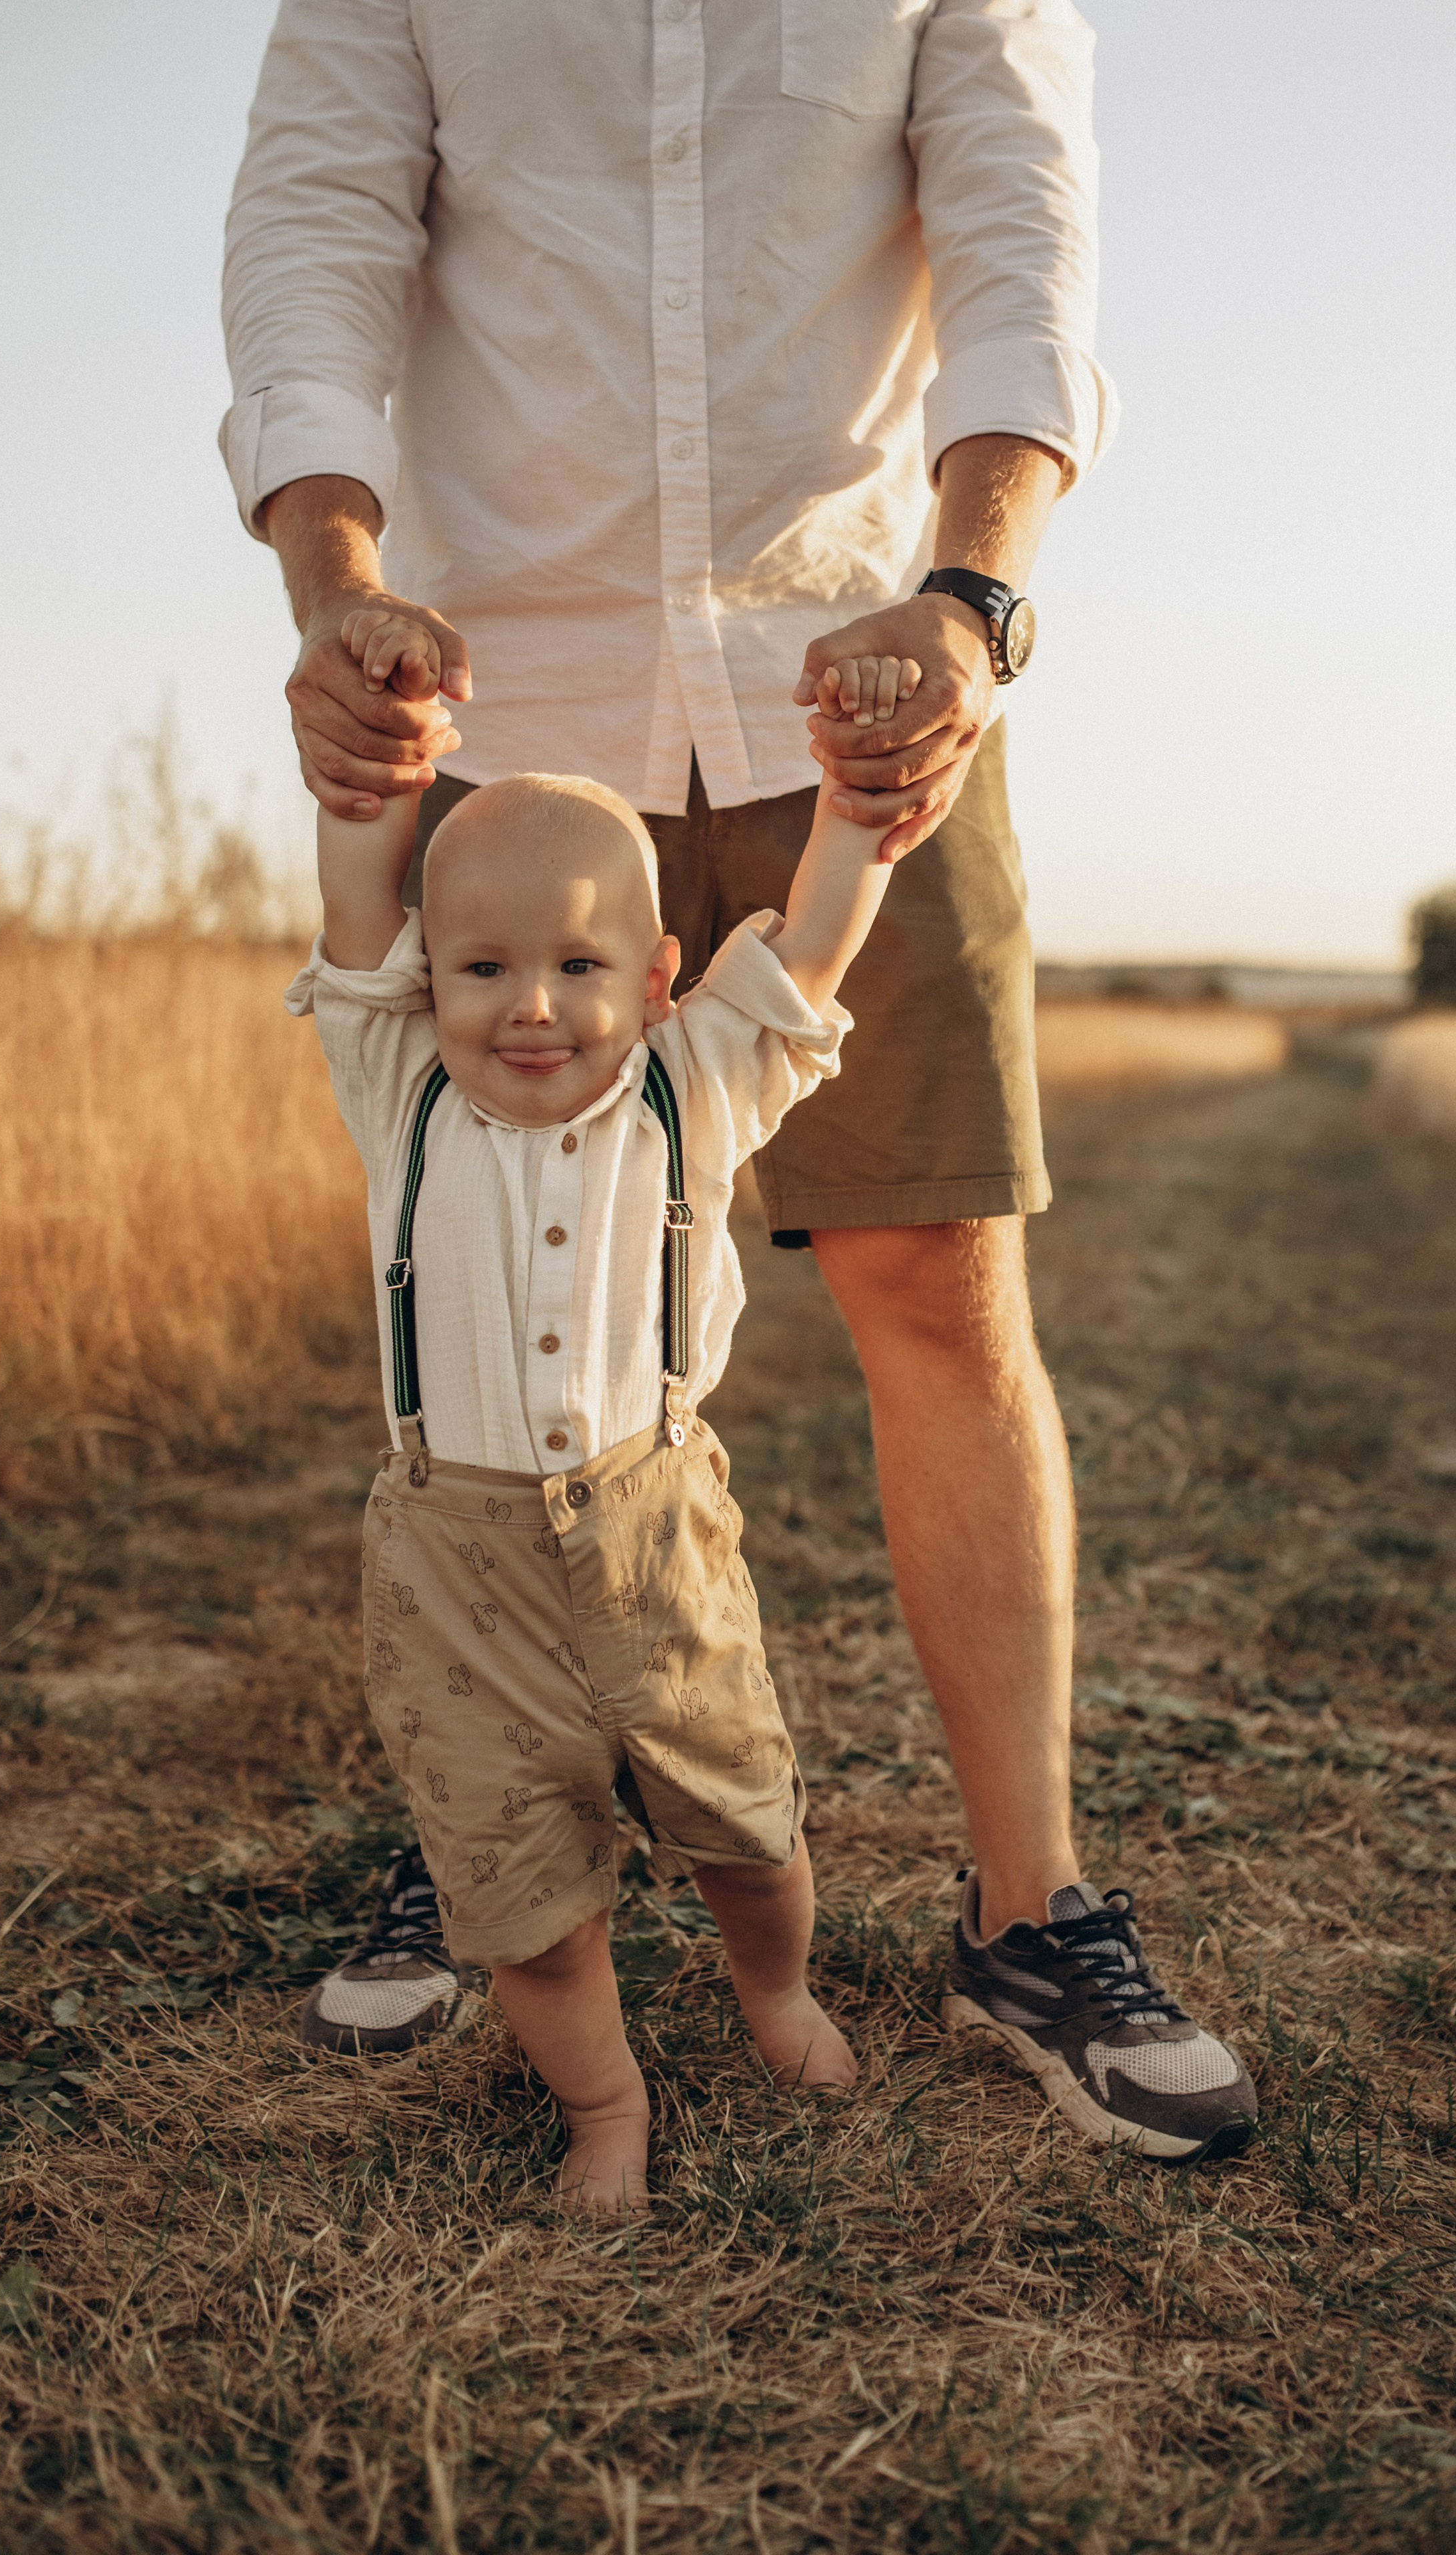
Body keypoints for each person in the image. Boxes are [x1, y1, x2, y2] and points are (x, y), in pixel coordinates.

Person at [225, 0, 1259, 2162]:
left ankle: (1028, 1907)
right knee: (473, 1270)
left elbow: (1018, 237)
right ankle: (488, 1833)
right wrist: (335, 582)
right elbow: (318, 225)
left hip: (864, 688)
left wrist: (972, 597)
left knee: (941, 1283)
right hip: (490, 698)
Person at [287, 617, 927, 2211]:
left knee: (738, 1816)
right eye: (482, 966)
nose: (528, 1007)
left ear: (654, 980)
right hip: (456, 1554)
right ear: (428, 977)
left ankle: (772, 1994)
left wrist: (852, 812)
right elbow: (358, 891)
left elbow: (819, 954)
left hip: (653, 1528)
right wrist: (384, 746)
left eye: (578, 967)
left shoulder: (692, 1082)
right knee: (517, 1875)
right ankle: (604, 2109)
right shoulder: (398, 1084)